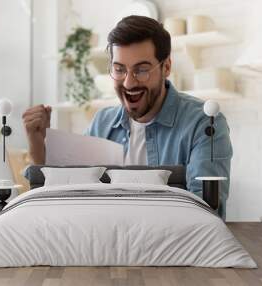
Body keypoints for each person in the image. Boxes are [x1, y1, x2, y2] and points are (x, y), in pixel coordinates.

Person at [22, 15, 233, 219]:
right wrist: (37, 144)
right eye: (119, 69)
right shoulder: (102, 122)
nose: (129, 83)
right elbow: (65, 193)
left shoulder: (204, 123)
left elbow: (206, 214)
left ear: (166, 67)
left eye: (141, 70)